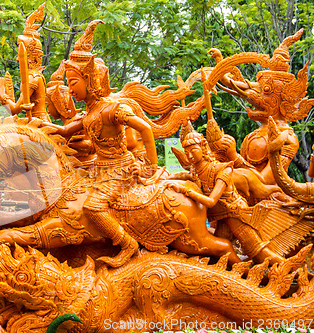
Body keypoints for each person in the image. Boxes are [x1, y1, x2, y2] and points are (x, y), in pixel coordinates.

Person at [45, 20, 158, 267]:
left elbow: (145, 128)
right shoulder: (90, 112)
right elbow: (64, 131)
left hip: (120, 169)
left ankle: (128, 243)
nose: (71, 89)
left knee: (93, 207)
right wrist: (32, 130)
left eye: (73, 82)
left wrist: (150, 166)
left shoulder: (112, 110)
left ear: (89, 79)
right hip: (98, 167)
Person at [169, 124, 283, 264]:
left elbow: (211, 201)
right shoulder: (196, 172)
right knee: (218, 254)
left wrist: (186, 191)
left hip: (236, 215)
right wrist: (159, 176)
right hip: (222, 218)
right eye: (187, 153)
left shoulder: (222, 170)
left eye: (194, 151)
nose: (190, 156)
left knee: (260, 254)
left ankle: (294, 272)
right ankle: (243, 272)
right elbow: (182, 175)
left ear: (204, 148)